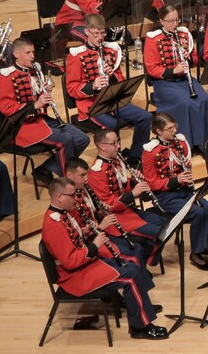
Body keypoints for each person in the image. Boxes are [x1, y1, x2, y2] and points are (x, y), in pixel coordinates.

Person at [42, 178, 167, 339]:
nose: (75, 198)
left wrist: (87, 233)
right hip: (74, 276)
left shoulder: (61, 214)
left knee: (132, 267)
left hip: (84, 266)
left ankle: (141, 308)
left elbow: (74, 241)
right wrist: (94, 245)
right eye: (72, 195)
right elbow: (69, 261)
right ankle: (140, 327)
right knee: (131, 277)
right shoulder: (53, 224)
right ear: (59, 196)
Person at [0, 37, 89, 185]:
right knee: (65, 140)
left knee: (82, 139)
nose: (32, 56)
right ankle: (67, 181)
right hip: (22, 127)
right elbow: (7, 109)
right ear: (16, 54)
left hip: (41, 120)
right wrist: (35, 105)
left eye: (33, 52)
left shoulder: (35, 72)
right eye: (28, 53)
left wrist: (43, 93)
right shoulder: (6, 77)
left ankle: (44, 170)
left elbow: (40, 105)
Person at [65, 13, 154, 160]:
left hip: (112, 101)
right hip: (91, 105)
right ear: (86, 32)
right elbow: (72, 88)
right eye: (96, 33)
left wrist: (111, 74)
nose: (100, 37)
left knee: (145, 117)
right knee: (112, 125)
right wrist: (92, 85)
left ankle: (135, 156)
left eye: (102, 33)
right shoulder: (76, 56)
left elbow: (121, 81)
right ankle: (112, 160)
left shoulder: (110, 51)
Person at [141, 112, 208, 270]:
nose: (174, 131)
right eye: (169, 129)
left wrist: (184, 178)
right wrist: (175, 180)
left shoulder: (181, 143)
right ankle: (197, 252)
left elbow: (186, 167)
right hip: (165, 197)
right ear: (158, 131)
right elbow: (152, 183)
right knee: (198, 213)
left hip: (185, 191)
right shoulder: (150, 151)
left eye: (174, 127)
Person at [144, 5, 208, 148]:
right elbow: (151, 68)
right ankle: (188, 144)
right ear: (161, 21)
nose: (175, 24)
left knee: (204, 99)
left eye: (177, 20)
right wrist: (173, 70)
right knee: (186, 103)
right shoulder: (153, 39)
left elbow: (195, 60)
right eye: (171, 21)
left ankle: (207, 142)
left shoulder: (184, 35)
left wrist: (189, 58)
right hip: (164, 83)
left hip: (185, 80)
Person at [87, 129, 165, 263]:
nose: (118, 146)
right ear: (102, 146)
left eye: (118, 141)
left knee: (165, 224)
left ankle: (147, 258)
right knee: (160, 233)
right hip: (117, 219)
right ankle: (144, 261)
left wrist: (134, 181)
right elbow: (109, 205)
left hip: (128, 211)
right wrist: (134, 193)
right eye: (114, 143)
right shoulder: (97, 173)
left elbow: (123, 185)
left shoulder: (116, 161)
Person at [65, 157, 148, 268]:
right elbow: (75, 233)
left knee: (138, 249)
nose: (86, 179)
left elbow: (91, 214)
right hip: (90, 244)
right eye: (82, 175)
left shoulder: (83, 188)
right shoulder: (67, 200)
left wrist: (101, 211)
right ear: (69, 175)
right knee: (133, 257)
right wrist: (100, 227)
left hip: (100, 233)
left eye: (86, 174)